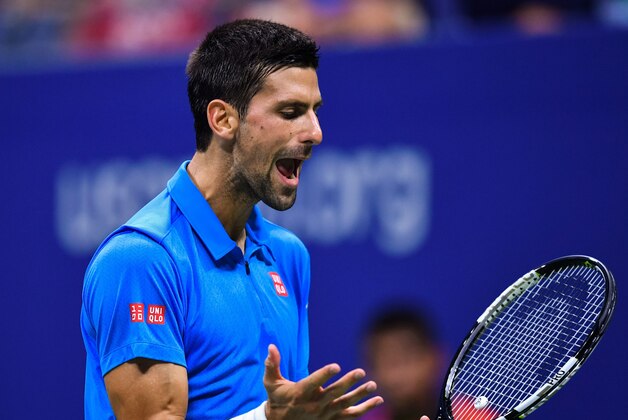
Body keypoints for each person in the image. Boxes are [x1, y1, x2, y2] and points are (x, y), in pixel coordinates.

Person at [80, 19, 389, 419]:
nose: (315, 132)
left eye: (315, 111)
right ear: (223, 120)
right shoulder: (141, 260)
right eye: (291, 111)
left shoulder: (288, 255)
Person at [361, 307, 444, 420]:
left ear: (433, 358)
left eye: (406, 358)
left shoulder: (471, 414)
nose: (395, 375)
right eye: (384, 362)